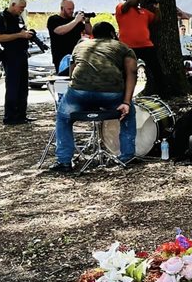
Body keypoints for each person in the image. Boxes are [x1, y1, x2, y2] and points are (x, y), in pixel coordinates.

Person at [52, 22, 138, 172]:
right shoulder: (123, 47)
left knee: (63, 117)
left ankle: (64, 160)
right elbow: (132, 72)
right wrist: (126, 102)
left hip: (79, 92)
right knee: (128, 115)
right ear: (113, 34)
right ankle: (127, 156)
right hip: (111, 93)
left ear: (93, 35)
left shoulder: (80, 46)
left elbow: (72, 74)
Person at [0, 0, 35, 125]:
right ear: (13, 5)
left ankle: (22, 115)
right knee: (13, 86)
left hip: (22, 54)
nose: (22, 10)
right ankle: (10, 116)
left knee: (23, 86)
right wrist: (19, 35)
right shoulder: (1, 18)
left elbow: (22, 31)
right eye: (21, 7)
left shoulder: (19, 18)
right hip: (10, 55)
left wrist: (27, 34)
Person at [115, 0, 162, 93]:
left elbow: (156, 20)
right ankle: (123, 93)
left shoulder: (144, 11)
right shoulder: (121, 8)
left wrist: (156, 8)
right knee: (127, 71)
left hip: (146, 45)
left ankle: (161, 91)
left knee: (156, 70)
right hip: (128, 47)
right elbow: (129, 4)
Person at [47, 0, 93, 72]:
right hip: (61, 57)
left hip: (76, 56)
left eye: (73, 9)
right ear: (62, 8)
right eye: (69, 9)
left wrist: (87, 21)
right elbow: (60, 31)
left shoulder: (75, 21)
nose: (71, 11)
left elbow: (89, 32)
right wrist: (75, 21)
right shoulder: (54, 19)